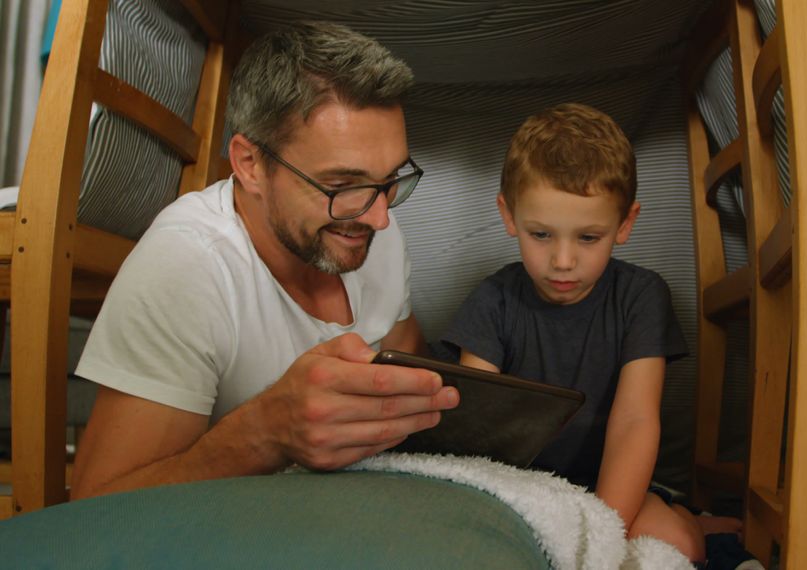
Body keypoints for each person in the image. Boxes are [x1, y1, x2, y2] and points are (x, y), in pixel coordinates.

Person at [70, 22, 460, 500]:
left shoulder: (369, 224)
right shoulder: (188, 266)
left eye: (389, 181)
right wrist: (267, 432)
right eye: (341, 186)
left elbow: (407, 358)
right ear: (250, 164)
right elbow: (95, 509)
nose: (380, 218)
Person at [442, 103, 744, 564]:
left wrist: (600, 531)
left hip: (613, 483)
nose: (563, 261)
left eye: (588, 238)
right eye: (541, 234)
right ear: (509, 216)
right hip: (525, 488)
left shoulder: (640, 295)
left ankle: (685, 516)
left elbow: (635, 422)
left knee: (681, 545)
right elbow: (478, 436)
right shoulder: (493, 301)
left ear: (625, 224)